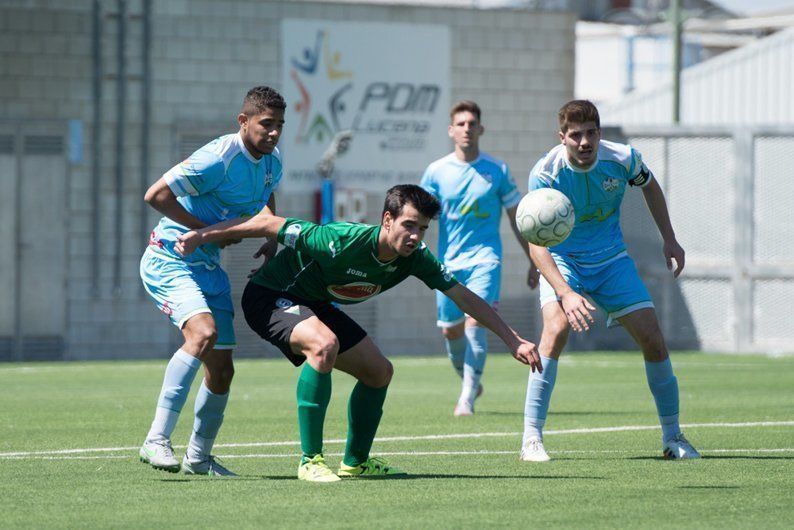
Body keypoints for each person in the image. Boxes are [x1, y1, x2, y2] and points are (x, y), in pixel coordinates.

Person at [175, 184, 542, 482]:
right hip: (270, 297)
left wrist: (513, 339)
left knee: (379, 372)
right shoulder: (339, 239)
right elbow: (266, 223)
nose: (415, 235)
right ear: (387, 219)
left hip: (314, 303)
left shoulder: (416, 259)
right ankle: (310, 460)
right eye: (409, 225)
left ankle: (356, 461)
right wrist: (200, 236)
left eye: (423, 229)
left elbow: (463, 296)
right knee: (324, 345)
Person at [520, 100, 700, 462]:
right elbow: (536, 243)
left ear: (599, 134)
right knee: (554, 331)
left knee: (653, 339)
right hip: (563, 261)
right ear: (562, 137)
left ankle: (673, 437)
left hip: (612, 260)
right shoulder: (545, 173)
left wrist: (669, 237)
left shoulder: (624, 158)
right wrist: (565, 292)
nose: (584, 142)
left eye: (591, 133)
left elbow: (650, 187)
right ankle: (531, 439)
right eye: (576, 135)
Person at [138, 86, 286, 475]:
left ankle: (199, 458)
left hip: (208, 269)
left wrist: (270, 238)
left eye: (280, 126)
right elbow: (156, 195)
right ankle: (155, 440)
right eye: (266, 124)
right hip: (170, 257)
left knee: (222, 370)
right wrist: (209, 230)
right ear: (244, 121)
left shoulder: (273, 162)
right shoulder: (217, 158)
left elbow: (267, 197)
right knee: (201, 335)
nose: (273, 133)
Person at [421, 100, 538, 416]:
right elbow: (417, 217)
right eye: (461, 124)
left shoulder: (496, 170)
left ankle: (466, 399)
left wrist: (533, 260)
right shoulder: (436, 172)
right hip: (448, 263)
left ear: (481, 129)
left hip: (486, 259)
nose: (467, 129)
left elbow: (518, 218)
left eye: (472, 123)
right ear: (451, 130)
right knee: (451, 330)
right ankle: (469, 380)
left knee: (477, 322)